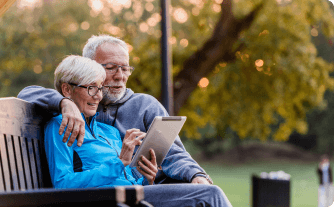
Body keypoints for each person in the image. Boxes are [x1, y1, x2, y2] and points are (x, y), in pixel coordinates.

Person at [18, 34, 212, 185]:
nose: (120, 76)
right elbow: (28, 93)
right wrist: (65, 103)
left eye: (125, 68)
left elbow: (173, 152)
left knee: (207, 192)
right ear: (91, 69)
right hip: (114, 197)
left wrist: (195, 175)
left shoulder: (144, 106)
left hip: (152, 188)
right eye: (111, 67)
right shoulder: (75, 105)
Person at [45, 55, 232, 207]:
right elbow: (63, 184)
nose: (98, 96)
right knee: (209, 195)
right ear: (66, 90)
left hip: (135, 195)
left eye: (100, 89)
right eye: (91, 88)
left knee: (204, 194)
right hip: (109, 199)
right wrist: (119, 163)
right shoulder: (59, 126)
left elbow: (127, 177)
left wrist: (147, 178)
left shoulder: (107, 131)